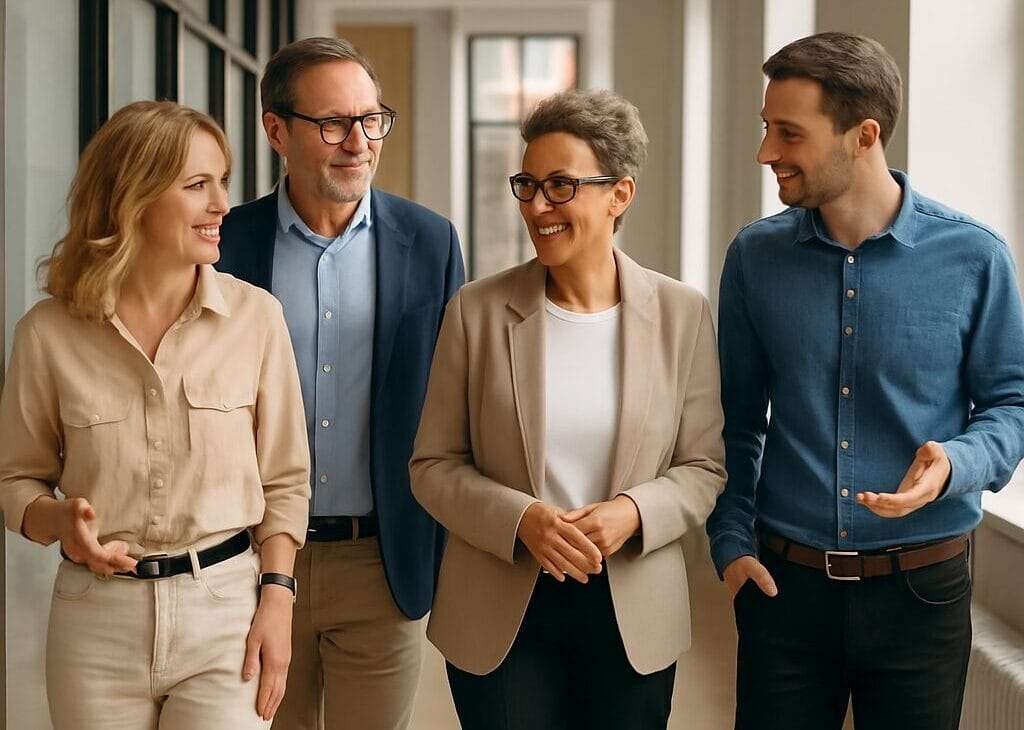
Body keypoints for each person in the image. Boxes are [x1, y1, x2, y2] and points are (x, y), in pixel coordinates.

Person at [707, 32, 1024, 730]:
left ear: (864, 134)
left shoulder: (974, 257)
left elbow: (1012, 403)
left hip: (923, 594)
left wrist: (954, 464)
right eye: (766, 128)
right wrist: (730, 542)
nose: (766, 152)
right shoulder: (755, 257)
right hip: (782, 591)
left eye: (788, 133)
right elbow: (732, 418)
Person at [410, 88, 726, 730]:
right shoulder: (476, 312)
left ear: (620, 195)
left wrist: (632, 513)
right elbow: (432, 465)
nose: (537, 207)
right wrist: (520, 518)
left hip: (633, 610)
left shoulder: (681, 314)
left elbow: (704, 467)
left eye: (560, 186)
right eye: (527, 184)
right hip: (500, 608)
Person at [0, 100, 310, 729]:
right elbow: (16, 481)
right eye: (198, 185)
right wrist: (59, 518)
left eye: (221, 181)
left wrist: (277, 598)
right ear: (131, 199)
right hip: (95, 623)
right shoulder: (48, 333)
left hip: (225, 613)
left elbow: (285, 481)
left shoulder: (256, 319)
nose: (223, 204)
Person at [216, 36, 465, 730]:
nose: (357, 142)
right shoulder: (225, 246)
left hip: (380, 563)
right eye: (332, 123)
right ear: (276, 130)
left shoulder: (431, 241)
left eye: (370, 119)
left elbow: (455, 403)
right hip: (248, 564)